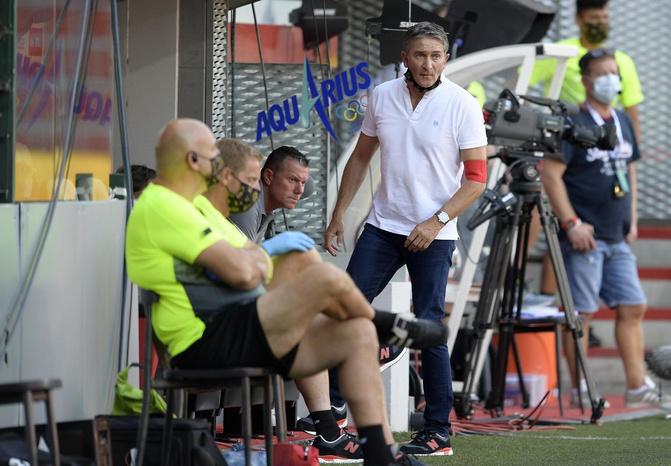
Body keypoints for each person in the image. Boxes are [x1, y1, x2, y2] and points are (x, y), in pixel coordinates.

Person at [125, 118, 437, 466]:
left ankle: (383, 455)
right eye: (212, 155)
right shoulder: (165, 206)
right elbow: (244, 273)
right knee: (321, 279)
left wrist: (255, 262)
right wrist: (254, 263)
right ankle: (387, 324)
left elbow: (251, 260)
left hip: (233, 326)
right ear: (192, 160)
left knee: (355, 332)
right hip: (200, 339)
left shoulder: (193, 207)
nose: (218, 165)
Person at [324, 22, 488, 456]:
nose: (428, 64)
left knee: (429, 325)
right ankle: (332, 412)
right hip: (383, 226)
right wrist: (339, 215)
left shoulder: (463, 104)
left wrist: (435, 222)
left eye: (435, 56)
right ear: (405, 58)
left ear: (446, 59)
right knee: (343, 309)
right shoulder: (382, 96)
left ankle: (438, 432)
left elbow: (476, 181)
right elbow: (360, 158)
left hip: (435, 233)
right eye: (419, 55)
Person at [198, 138, 360, 462]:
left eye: (303, 182)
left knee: (307, 304)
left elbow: (248, 271)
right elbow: (244, 274)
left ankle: (330, 429)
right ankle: (369, 328)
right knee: (306, 304)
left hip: (232, 315)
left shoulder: (256, 206)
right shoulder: (242, 207)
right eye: (251, 179)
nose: (301, 190)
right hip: (214, 328)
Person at [540, 49, 671, 410]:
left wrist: (632, 217)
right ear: (587, 80)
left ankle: (637, 386)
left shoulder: (621, 119)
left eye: (614, 73)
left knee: (633, 305)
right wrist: (571, 223)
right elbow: (551, 175)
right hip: (584, 237)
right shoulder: (574, 123)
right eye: (602, 73)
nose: (611, 80)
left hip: (617, 235)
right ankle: (581, 388)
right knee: (581, 314)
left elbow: (629, 168)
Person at [529, 0, 643, 141]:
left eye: (604, 17)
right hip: (566, 134)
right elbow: (520, 80)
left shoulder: (622, 60)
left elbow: (631, 109)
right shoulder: (561, 53)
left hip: (604, 136)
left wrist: (634, 148)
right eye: (594, 18)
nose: (601, 22)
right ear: (579, 19)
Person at [229, 145, 310, 243]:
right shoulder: (248, 203)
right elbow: (243, 252)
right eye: (292, 180)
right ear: (268, 176)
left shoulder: (266, 205)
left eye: (303, 183)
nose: (300, 190)